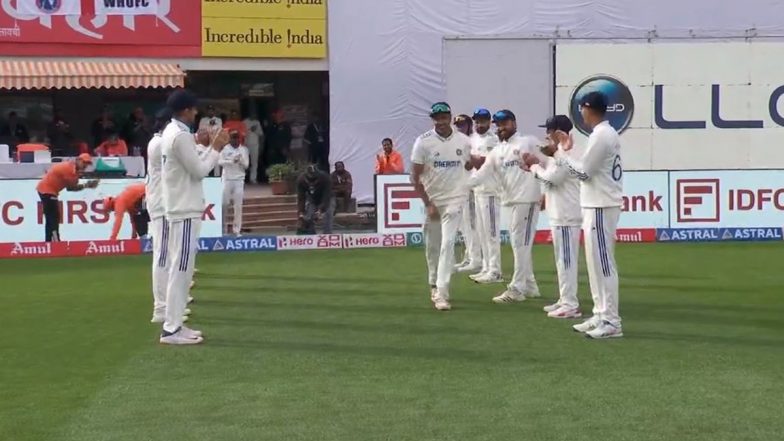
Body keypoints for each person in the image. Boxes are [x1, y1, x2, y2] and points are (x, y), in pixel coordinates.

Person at [524, 91, 624, 339]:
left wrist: (560, 154)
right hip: (593, 205)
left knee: (603, 264)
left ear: (589, 108)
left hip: (601, 205)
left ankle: (611, 320)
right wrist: (560, 154)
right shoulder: (601, 134)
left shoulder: (602, 135)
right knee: (594, 265)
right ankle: (601, 314)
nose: (581, 113)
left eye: (582, 108)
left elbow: (583, 173)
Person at [160, 89, 229, 345]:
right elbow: (200, 171)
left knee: (182, 269)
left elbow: (191, 164)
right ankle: (171, 328)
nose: (196, 113)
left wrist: (207, 146)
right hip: (184, 208)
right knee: (181, 269)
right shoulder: (179, 136)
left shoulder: (174, 133)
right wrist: (217, 149)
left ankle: (175, 324)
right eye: (193, 109)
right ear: (186, 110)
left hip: (181, 206)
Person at [469, 110, 543, 302]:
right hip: (511, 201)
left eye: (505, 124)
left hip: (527, 200)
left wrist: (545, 192)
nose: (501, 128)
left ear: (514, 123)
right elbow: (481, 174)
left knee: (521, 245)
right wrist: (460, 188)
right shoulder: (498, 151)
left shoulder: (527, 141)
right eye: (498, 125)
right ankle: (530, 285)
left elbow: (548, 162)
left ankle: (517, 288)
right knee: (519, 244)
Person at [411, 102, 473, 311]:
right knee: (434, 246)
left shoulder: (464, 141)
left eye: (444, 116)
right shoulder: (423, 142)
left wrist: (478, 163)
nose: (441, 120)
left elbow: (469, 164)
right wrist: (428, 204)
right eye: (437, 117)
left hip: (455, 199)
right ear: (433, 119)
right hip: (434, 201)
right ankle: (433, 283)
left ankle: (442, 292)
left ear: (450, 117)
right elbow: (415, 177)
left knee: (448, 244)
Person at [529, 115, 583, 319]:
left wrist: (534, 167)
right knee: (562, 260)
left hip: (568, 215)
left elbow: (554, 178)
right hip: (559, 214)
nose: (546, 135)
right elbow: (550, 182)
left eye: (549, 131)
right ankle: (564, 298)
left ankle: (571, 304)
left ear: (558, 132)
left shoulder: (566, 152)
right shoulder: (557, 154)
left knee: (567, 261)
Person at [456, 108, 496, 275]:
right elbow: (470, 163)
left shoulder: (493, 139)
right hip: (473, 186)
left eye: (482, 121)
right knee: (473, 226)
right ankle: (481, 263)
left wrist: (471, 160)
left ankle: (491, 267)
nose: (480, 124)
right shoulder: (473, 139)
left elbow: (483, 163)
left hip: (488, 188)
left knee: (488, 231)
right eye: (477, 121)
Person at [35, 154, 99, 242]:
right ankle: (55, 242)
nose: (85, 165)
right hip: (47, 191)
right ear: (78, 160)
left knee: (51, 218)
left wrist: (86, 184)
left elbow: (71, 186)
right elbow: (71, 187)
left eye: (87, 164)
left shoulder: (71, 168)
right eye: (84, 162)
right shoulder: (70, 171)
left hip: (46, 190)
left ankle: (49, 242)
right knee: (53, 217)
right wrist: (87, 185)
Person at [146, 108, 172, 324]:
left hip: (165, 204)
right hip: (161, 206)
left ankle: (167, 305)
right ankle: (160, 309)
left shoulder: (160, 142)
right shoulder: (158, 145)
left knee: (167, 255)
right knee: (162, 255)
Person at [219, 130, 250, 236]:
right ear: (230, 139)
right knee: (224, 204)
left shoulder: (243, 150)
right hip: (227, 179)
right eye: (233, 138)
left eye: (237, 138)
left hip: (239, 180)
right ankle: (223, 229)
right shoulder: (225, 149)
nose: (235, 140)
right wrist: (231, 160)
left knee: (238, 206)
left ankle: (237, 230)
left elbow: (246, 165)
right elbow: (220, 162)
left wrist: (240, 161)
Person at [297, 164, 334, 234]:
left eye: (314, 179)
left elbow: (326, 196)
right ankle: (311, 235)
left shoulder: (325, 178)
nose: (312, 182)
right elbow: (301, 198)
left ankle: (327, 235)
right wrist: (301, 212)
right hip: (312, 198)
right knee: (309, 215)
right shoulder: (301, 180)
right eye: (310, 179)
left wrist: (320, 209)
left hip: (328, 198)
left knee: (328, 214)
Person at [243, 111, 264, 184]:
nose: (254, 115)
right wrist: (249, 129)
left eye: (254, 114)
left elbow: (261, 134)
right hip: (245, 145)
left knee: (254, 162)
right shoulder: (244, 122)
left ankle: (253, 179)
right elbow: (242, 133)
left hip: (255, 145)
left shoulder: (257, 122)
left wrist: (261, 145)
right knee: (244, 162)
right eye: (252, 113)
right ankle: (243, 178)